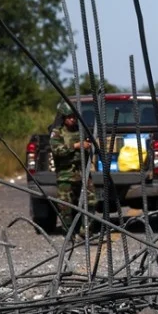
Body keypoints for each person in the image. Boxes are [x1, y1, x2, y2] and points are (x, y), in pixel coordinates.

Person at [50, 100, 96, 236]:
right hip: (66, 175)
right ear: (64, 118)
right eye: (70, 117)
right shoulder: (57, 133)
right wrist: (76, 146)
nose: (72, 120)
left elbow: (91, 147)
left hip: (83, 173)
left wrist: (88, 145)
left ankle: (85, 231)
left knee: (91, 201)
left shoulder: (82, 131)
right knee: (65, 207)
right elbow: (57, 150)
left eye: (74, 117)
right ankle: (68, 232)